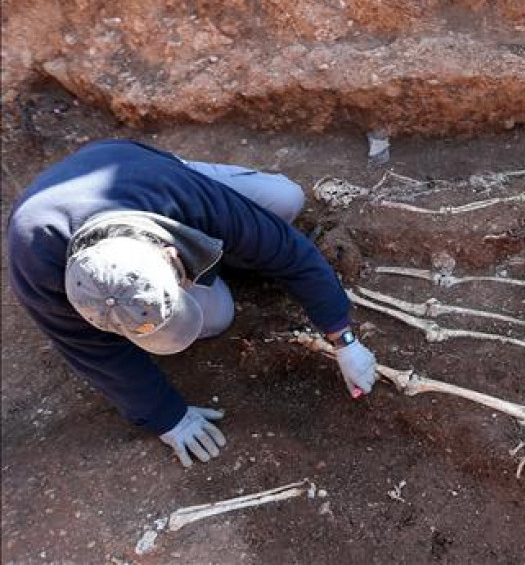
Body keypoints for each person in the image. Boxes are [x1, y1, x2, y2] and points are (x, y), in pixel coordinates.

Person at [7, 139, 377, 467]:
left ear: (169, 254)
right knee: (219, 315)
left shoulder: (182, 196)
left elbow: (285, 248)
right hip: (99, 205)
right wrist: (168, 418)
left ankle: (222, 250)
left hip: (156, 176)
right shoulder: (38, 271)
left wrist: (343, 339)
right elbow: (95, 354)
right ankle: (221, 257)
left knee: (285, 199)